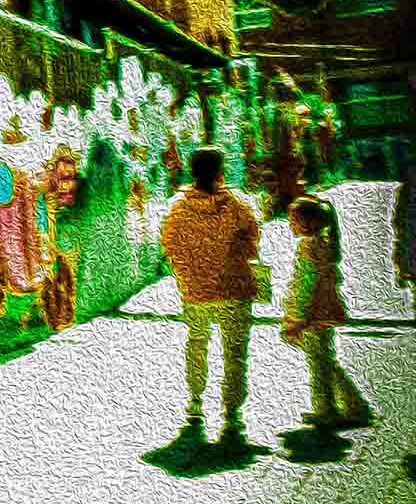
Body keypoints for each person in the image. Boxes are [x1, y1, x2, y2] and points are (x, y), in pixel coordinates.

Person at [159, 147, 262, 451]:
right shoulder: (238, 207)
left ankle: (195, 402)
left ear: (192, 171)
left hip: (196, 291)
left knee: (197, 344)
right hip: (233, 288)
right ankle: (232, 414)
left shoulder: (179, 209)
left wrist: (188, 270)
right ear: (221, 171)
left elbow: (168, 246)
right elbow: (252, 243)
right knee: (235, 353)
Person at [281, 196, 372, 430]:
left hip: (312, 313)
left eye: (294, 221)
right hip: (325, 310)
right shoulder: (325, 244)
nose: (291, 225)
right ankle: (351, 404)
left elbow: (304, 285)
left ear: (307, 223)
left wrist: (295, 317)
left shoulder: (308, 247)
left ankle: (328, 409)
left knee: (318, 364)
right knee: (323, 360)